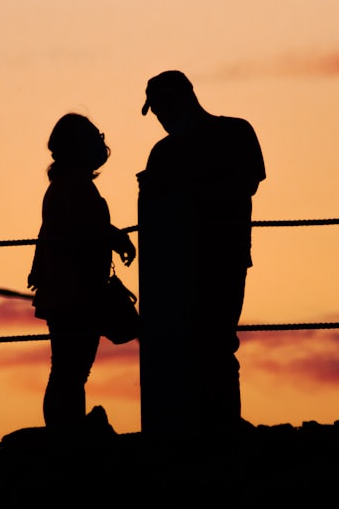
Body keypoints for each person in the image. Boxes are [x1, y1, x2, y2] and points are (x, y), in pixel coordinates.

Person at [137, 71, 265, 434]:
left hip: (209, 259)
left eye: (163, 106)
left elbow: (246, 184)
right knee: (207, 345)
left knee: (211, 344)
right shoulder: (233, 134)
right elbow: (247, 184)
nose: (161, 116)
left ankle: (215, 425)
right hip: (196, 261)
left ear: (184, 97)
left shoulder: (227, 135)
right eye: (158, 109)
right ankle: (213, 424)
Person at [28, 113, 136, 430]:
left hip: (65, 292)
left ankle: (65, 431)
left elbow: (52, 231)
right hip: (76, 294)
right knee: (71, 372)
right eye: (95, 137)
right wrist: (115, 237)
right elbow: (85, 228)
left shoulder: (63, 185)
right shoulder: (76, 186)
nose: (101, 143)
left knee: (66, 370)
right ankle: (67, 434)